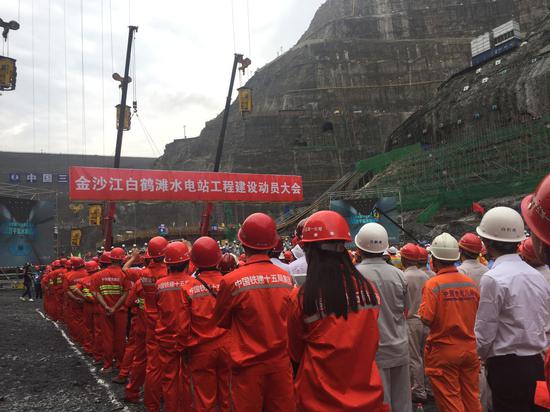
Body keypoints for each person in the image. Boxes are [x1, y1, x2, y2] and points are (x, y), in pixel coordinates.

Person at [287, 211, 388, 411]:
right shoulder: (369, 290)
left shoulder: (303, 297)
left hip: (319, 400)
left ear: (310, 251)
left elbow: (295, 352)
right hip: (367, 397)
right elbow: (372, 341)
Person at [213, 213, 296, 411]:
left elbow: (221, 321)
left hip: (247, 367)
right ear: (272, 244)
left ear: (243, 243)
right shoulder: (286, 278)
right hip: (281, 366)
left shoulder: (231, 281)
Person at [475, 206, 550, 412]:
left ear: (486, 242)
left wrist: (481, 356)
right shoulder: (536, 276)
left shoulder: (493, 278)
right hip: (536, 362)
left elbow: (485, 330)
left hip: (506, 367)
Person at [419, 233, 482, 412]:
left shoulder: (433, 284)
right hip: (470, 349)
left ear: (435, 260)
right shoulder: (470, 284)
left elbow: (426, 318)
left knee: (450, 402)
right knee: (471, 398)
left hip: (443, 351)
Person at [355, 223, 411, 412]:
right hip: (399, 346)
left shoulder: (355, 275)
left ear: (359, 248)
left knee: (380, 403)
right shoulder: (399, 275)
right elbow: (406, 310)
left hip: (372, 351)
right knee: (402, 403)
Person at [180, 236, 231, 411]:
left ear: (193, 260)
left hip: (201, 349)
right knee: (227, 395)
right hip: (228, 347)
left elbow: (183, 325)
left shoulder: (188, 287)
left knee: (204, 399)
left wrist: (184, 348)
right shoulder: (230, 282)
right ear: (218, 258)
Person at [123, 236, 169, 410]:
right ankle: (160, 396)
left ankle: (134, 392)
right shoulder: (169, 273)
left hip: (146, 324)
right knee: (164, 365)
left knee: (143, 361)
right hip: (166, 325)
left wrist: (134, 257)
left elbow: (125, 270)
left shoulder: (142, 274)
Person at [155, 241, 192, 412]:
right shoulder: (194, 284)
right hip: (188, 338)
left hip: (166, 337)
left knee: (169, 379)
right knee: (187, 378)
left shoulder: (160, 284)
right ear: (187, 262)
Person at [91, 247, 131, 373]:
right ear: (122, 260)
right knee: (120, 339)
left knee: (107, 338)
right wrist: (115, 307)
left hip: (105, 311)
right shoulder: (124, 275)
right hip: (120, 312)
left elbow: (96, 293)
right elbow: (126, 293)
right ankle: (120, 363)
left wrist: (107, 307)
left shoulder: (98, 275)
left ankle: (107, 365)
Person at [400, 243, 430, 404]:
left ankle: (419, 391)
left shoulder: (403, 276)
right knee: (426, 356)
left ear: (404, 258)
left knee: (415, 358)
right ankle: (429, 388)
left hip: (411, 321)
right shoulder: (425, 275)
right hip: (426, 320)